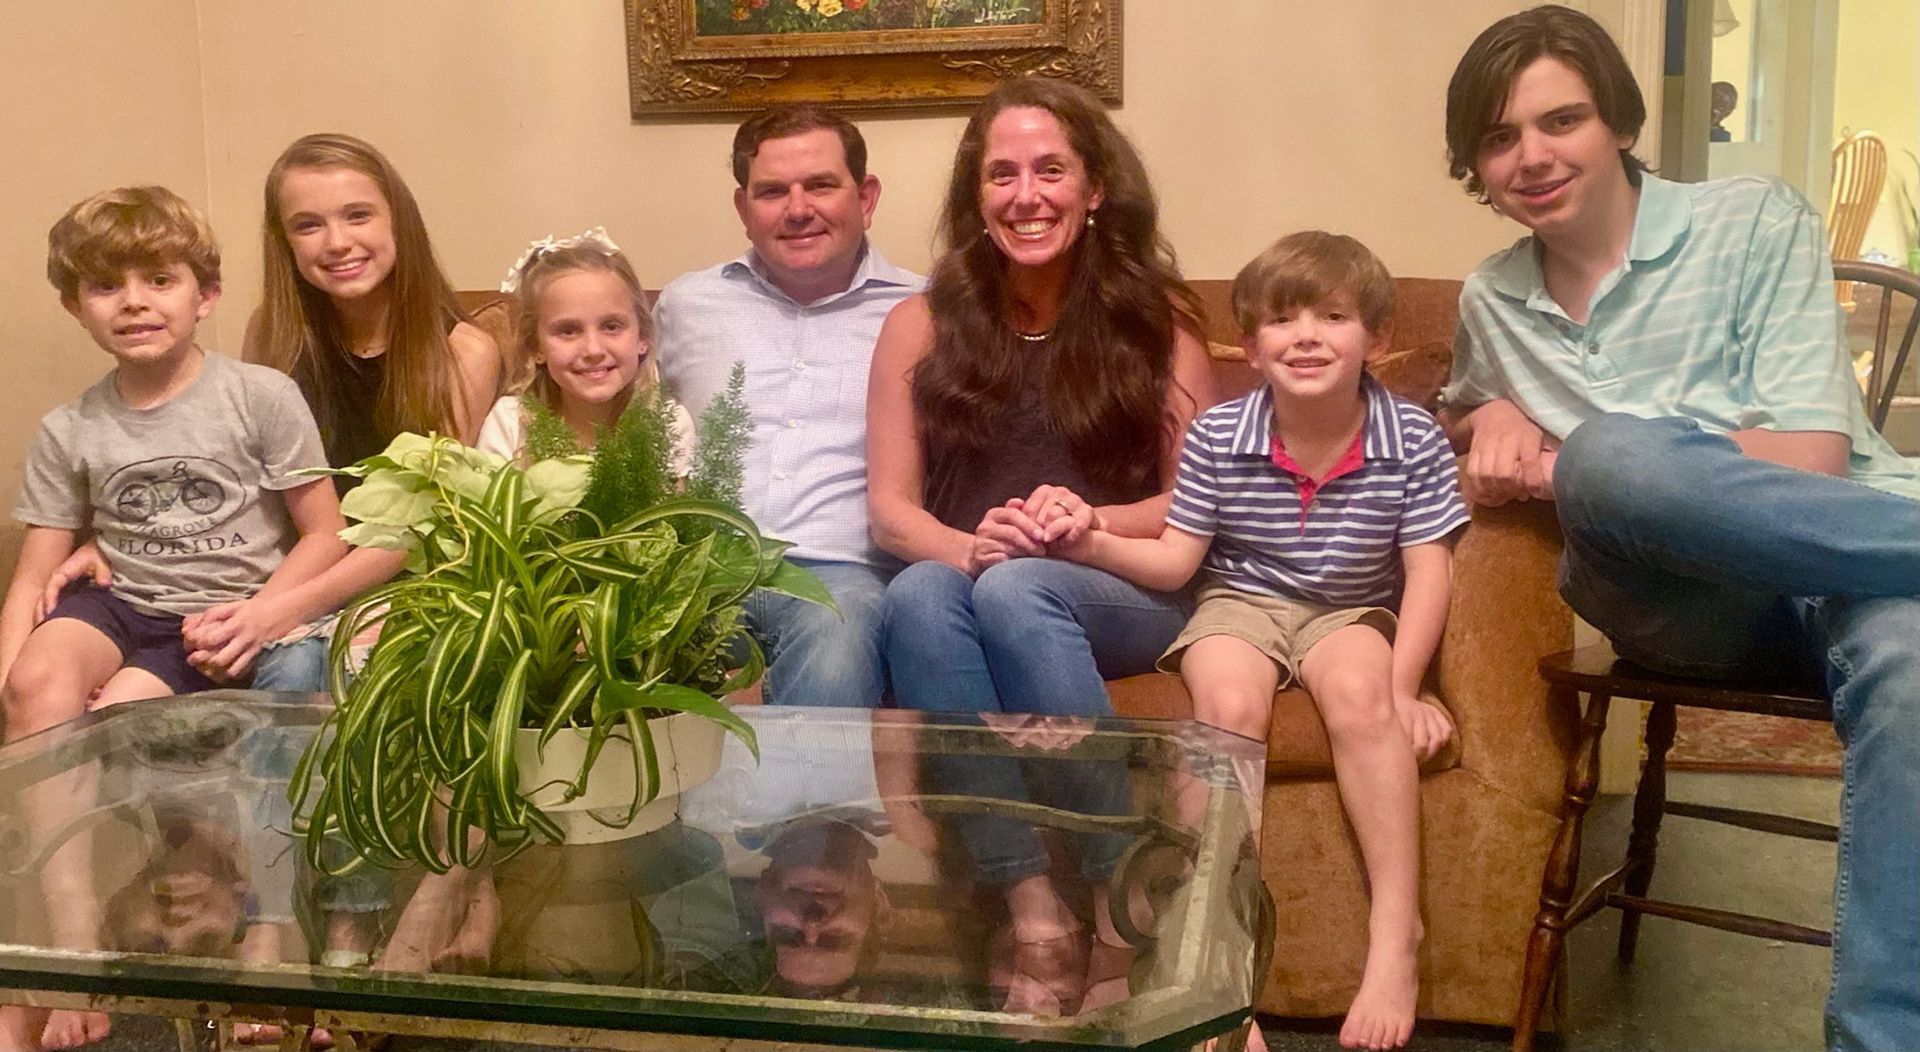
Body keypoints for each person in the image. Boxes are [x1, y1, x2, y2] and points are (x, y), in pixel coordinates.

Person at [1440, 8, 1919, 1051]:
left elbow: (1813, 465)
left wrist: (1578, 459)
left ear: (1616, 118)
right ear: (1476, 165)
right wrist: (1495, 412)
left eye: (1559, 118)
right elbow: (1462, 411)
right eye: (1498, 137)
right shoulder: (1491, 300)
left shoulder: (1752, 220)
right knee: (1609, 458)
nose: (1531, 155)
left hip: (1856, 568)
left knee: (1913, 661)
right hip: (1688, 608)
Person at [1055, 231, 1468, 1050]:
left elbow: (1429, 572)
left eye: (1334, 315)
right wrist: (1091, 540)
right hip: (1236, 603)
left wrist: (1405, 687)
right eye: (1281, 319)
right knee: (1230, 708)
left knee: (1358, 694)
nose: (1306, 334)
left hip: (1348, 611)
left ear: (1376, 340)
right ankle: (1214, 971)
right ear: (1250, 345)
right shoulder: (1218, 436)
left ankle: (1396, 942)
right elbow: (1176, 563)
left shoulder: (1412, 439)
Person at [864, 76, 1216, 1019]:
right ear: (977, 198)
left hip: (1117, 587)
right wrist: (972, 546)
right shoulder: (920, 323)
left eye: (1051, 169)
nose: (1028, 195)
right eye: (1003, 174)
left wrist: (1088, 527)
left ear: (1096, 187)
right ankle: (1035, 908)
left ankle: (1120, 889)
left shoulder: (1160, 323)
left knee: (1022, 592)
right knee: (915, 597)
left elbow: (1199, 499)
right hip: (980, 579)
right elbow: (892, 513)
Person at [0, 185, 346, 1052]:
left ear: (206, 294)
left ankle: (243, 938)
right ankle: (71, 938)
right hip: (122, 603)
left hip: (215, 621)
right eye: (106, 286)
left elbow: (326, 532)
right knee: (37, 685)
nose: (136, 302)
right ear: (75, 307)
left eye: (159, 279)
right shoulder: (70, 426)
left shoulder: (258, 396)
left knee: (120, 718)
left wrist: (262, 616)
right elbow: (35, 572)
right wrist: (11, 698)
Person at [654, 103, 921, 709]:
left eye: (821, 185)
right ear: (744, 208)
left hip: (843, 575)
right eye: (772, 191)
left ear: (866, 197)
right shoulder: (687, 305)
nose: (798, 209)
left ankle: (796, 811)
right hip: (700, 568)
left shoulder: (927, 313)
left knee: (836, 642)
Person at [479, 227, 694, 471]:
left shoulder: (668, 425)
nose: (593, 350)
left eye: (611, 326)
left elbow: (677, 508)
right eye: (568, 331)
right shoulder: (510, 424)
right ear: (535, 346)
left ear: (642, 336)